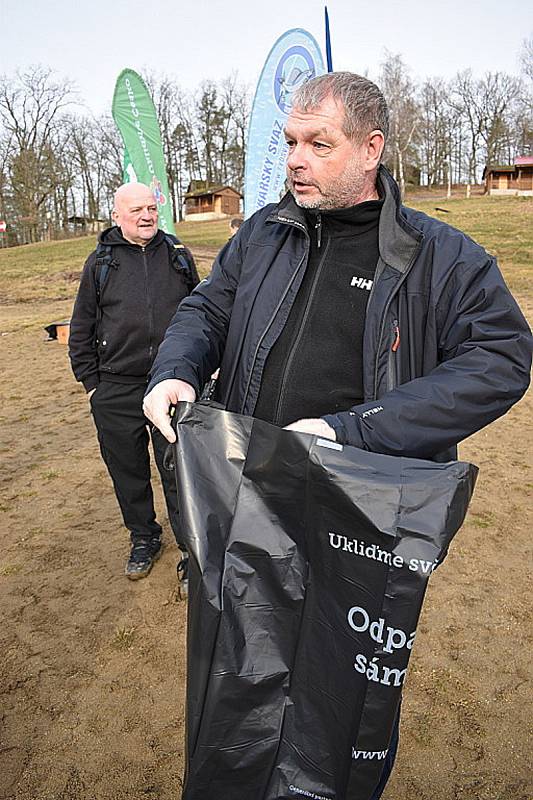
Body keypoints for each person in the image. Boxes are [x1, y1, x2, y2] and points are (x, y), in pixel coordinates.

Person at [143, 73, 532, 795]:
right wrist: (177, 369)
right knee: (234, 676)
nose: (295, 158)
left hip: (358, 519)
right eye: (290, 141)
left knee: (337, 695)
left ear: (369, 150)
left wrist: (355, 429)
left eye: (318, 143)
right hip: (251, 496)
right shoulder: (261, 231)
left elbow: (501, 359)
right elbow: (205, 311)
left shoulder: (440, 256)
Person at [69, 182, 199, 587]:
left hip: (171, 384)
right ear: (117, 216)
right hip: (116, 389)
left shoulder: (178, 256)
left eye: (151, 208)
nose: (146, 216)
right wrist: (94, 386)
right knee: (128, 472)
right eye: (136, 210)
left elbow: (200, 314)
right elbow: (81, 328)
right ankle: (144, 537)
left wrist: (200, 369)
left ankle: (189, 551)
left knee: (179, 473)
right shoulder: (100, 264)